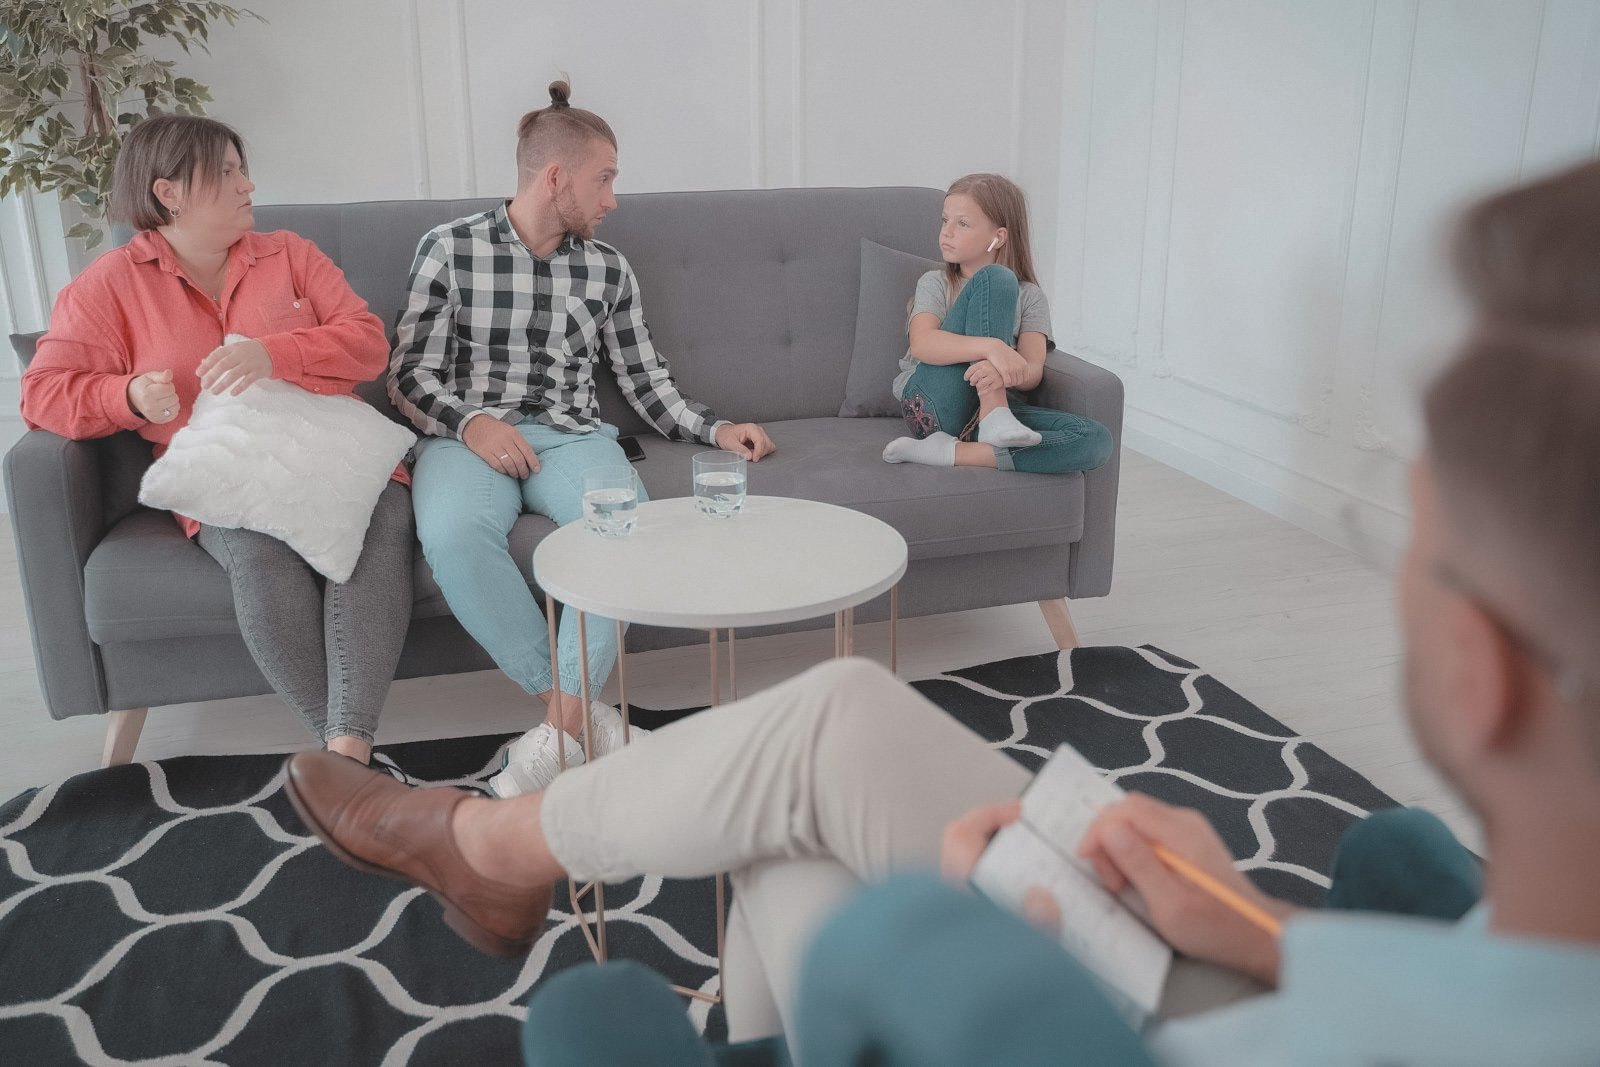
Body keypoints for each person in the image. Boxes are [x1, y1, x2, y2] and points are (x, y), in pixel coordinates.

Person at [286, 160, 1600, 1064]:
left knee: (800, 795)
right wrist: (1253, 924)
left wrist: (949, 953)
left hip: (1116, 1027)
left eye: (1408, 533)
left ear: (1479, 666)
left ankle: (495, 843)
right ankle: (516, 844)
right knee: (810, 744)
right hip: (1270, 985)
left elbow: (647, 373)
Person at [387, 80, 776, 797]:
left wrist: (713, 427)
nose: (613, 200)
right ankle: (587, 723)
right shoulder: (449, 250)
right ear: (555, 176)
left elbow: (643, 376)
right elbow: (408, 374)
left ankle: (558, 735)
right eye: (605, 179)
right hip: (466, 436)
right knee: (452, 534)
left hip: (571, 437)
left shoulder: (607, 268)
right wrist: (472, 423)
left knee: (622, 529)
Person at [21, 114, 413, 766]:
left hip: (336, 452)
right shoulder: (110, 285)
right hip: (224, 471)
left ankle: (343, 763)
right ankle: (350, 760)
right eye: (227, 172)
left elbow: (369, 344)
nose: (248, 185)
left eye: (242, 169)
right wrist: (124, 396)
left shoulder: (292, 254)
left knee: (376, 532)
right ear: (168, 191)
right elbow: (41, 393)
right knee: (261, 558)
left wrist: (276, 353)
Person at [882, 173, 1113, 474]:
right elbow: (923, 344)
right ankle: (993, 413)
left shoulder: (1030, 297)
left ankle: (955, 451)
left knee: (1095, 440)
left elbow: (1031, 372)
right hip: (931, 404)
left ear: (999, 237)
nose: (946, 232)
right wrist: (993, 348)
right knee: (996, 278)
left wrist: (1005, 371)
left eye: (962, 223)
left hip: (990, 415)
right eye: (944, 220)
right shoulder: (935, 283)